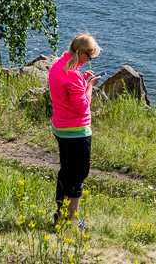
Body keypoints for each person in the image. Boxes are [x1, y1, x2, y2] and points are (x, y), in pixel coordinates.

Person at [48, 33, 103, 226]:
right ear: (80, 53)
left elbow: (66, 91)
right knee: (78, 175)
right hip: (76, 132)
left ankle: (60, 215)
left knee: (65, 172)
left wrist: (82, 79)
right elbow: (82, 106)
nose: (89, 60)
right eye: (89, 56)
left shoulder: (57, 67)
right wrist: (89, 86)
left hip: (60, 128)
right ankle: (73, 220)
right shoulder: (72, 75)